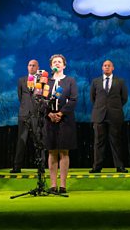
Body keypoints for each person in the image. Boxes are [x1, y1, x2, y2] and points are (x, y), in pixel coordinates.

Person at [45, 54, 78, 194]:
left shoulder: (70, 81)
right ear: (51, 65)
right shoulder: (46, 82)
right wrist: (49, 114)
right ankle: (53, 185)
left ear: (64, 65)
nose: (57, 64)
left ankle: (63, 185)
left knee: (64, 151)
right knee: (52, 151)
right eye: (54, 62)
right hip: (49, 120)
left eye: (59, 62)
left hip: (65, 120)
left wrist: (60, 113)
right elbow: (40, 99)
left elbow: (73, 99)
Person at [89, 60, 129, 173]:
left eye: (109, 66)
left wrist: (114, 108)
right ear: (102, 67)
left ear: (113, 68)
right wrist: (101, 107)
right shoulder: (95, 81)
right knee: (98, 142)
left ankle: (119, 166)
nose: (106, 67)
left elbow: (124, 98)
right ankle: (97, 166)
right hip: (99, 115)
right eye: (105, 65)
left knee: (116, 141)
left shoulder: (120, 81)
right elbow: (93, 98)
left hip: (115, 115)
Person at [11, 59, 44, 173]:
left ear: (38, 67)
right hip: (24, 114)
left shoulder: (42, 80)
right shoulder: (21, 80)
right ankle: (16, 166)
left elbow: (43, 97)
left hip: (37, 114)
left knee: (39, 141)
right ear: (27, 67)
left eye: (34, 65)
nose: (31, 67)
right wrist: (26, 108)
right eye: (29, 65)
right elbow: (21, 97)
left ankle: (41, 167)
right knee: (21, 141)